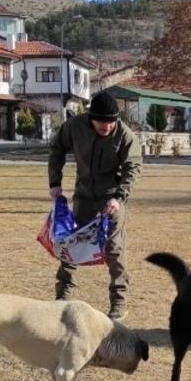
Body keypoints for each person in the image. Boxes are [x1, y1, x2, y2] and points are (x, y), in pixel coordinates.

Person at [48, 90, 142, 320]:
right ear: (91, 116)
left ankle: (118, 302)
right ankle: (63, 297)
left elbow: (133, 168)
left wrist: (118, 198)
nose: (107, 126)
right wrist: (55, 182)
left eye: (111, 122)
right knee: (70, 245)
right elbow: (57, 149)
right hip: (83, 197)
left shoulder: (124, 135)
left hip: (111, 200)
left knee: (113, 249)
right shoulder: (74, 127)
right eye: (102, 121)